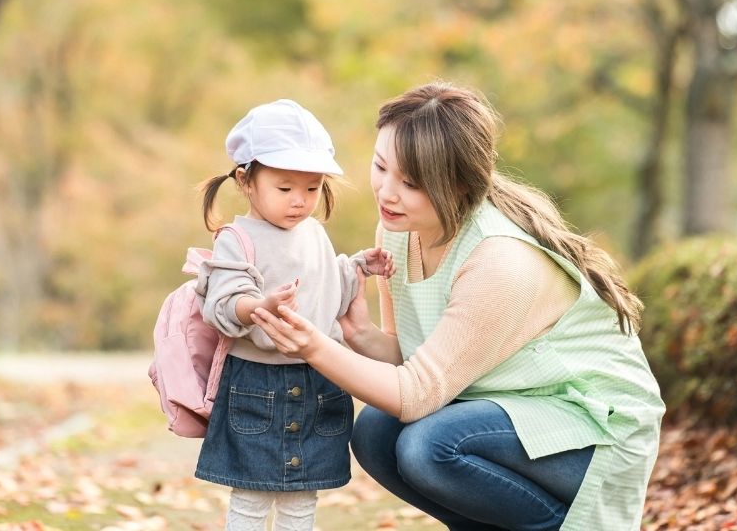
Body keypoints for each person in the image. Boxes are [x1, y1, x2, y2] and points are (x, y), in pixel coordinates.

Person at [251, 82, 666, 531]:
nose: (387, 192)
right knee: (375, 432)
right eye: (380, 167)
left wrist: (314, 348)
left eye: (411, 183)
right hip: (504, 407)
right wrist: (361, 336)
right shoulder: (398, 227)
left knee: (429, 446)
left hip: (593, 427)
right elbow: (419, 363)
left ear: (459, 184)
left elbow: (414, 396)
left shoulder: (500, 260)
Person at [193, 99, 395, 531]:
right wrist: (259, 306)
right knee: (251, 494)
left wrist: (358, 265)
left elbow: (327, 288)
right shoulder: (238, 237)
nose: (300, 202)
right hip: (257, 384)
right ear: (246, 181)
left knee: (302, 495)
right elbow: (223, 304)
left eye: (312, 188)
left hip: (320, 376)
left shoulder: (314, 234)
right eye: (285, 189)